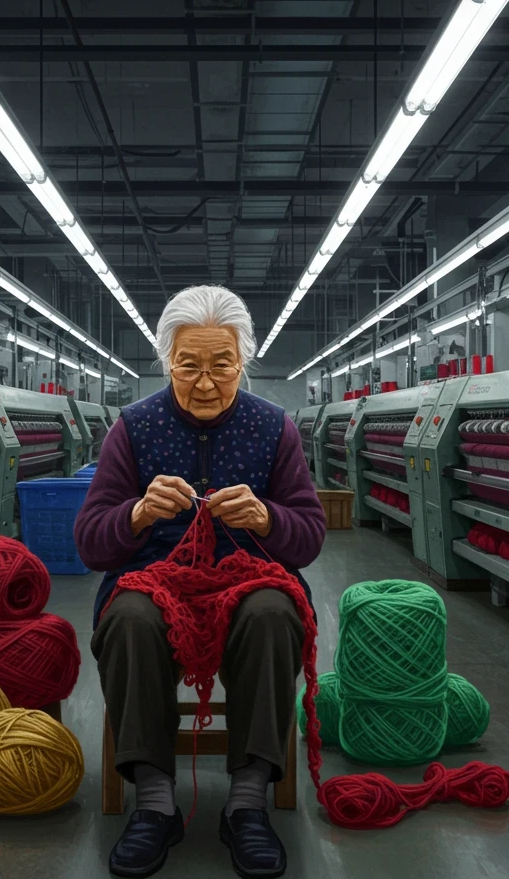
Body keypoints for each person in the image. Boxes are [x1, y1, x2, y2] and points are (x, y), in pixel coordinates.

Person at [75, 285, 326, 879]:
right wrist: (137, 513)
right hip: (155, 577)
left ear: (244, 362)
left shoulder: (275, 428)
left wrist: (268, 518)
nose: (207, 382)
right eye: (190, 366)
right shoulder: (133, 428)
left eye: (223, 365)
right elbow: (90, 541)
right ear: (167, 362)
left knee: (270, 613)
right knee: (131, 616)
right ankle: (155, 803)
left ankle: (247, 803)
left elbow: (310, 535)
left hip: (251, 578)